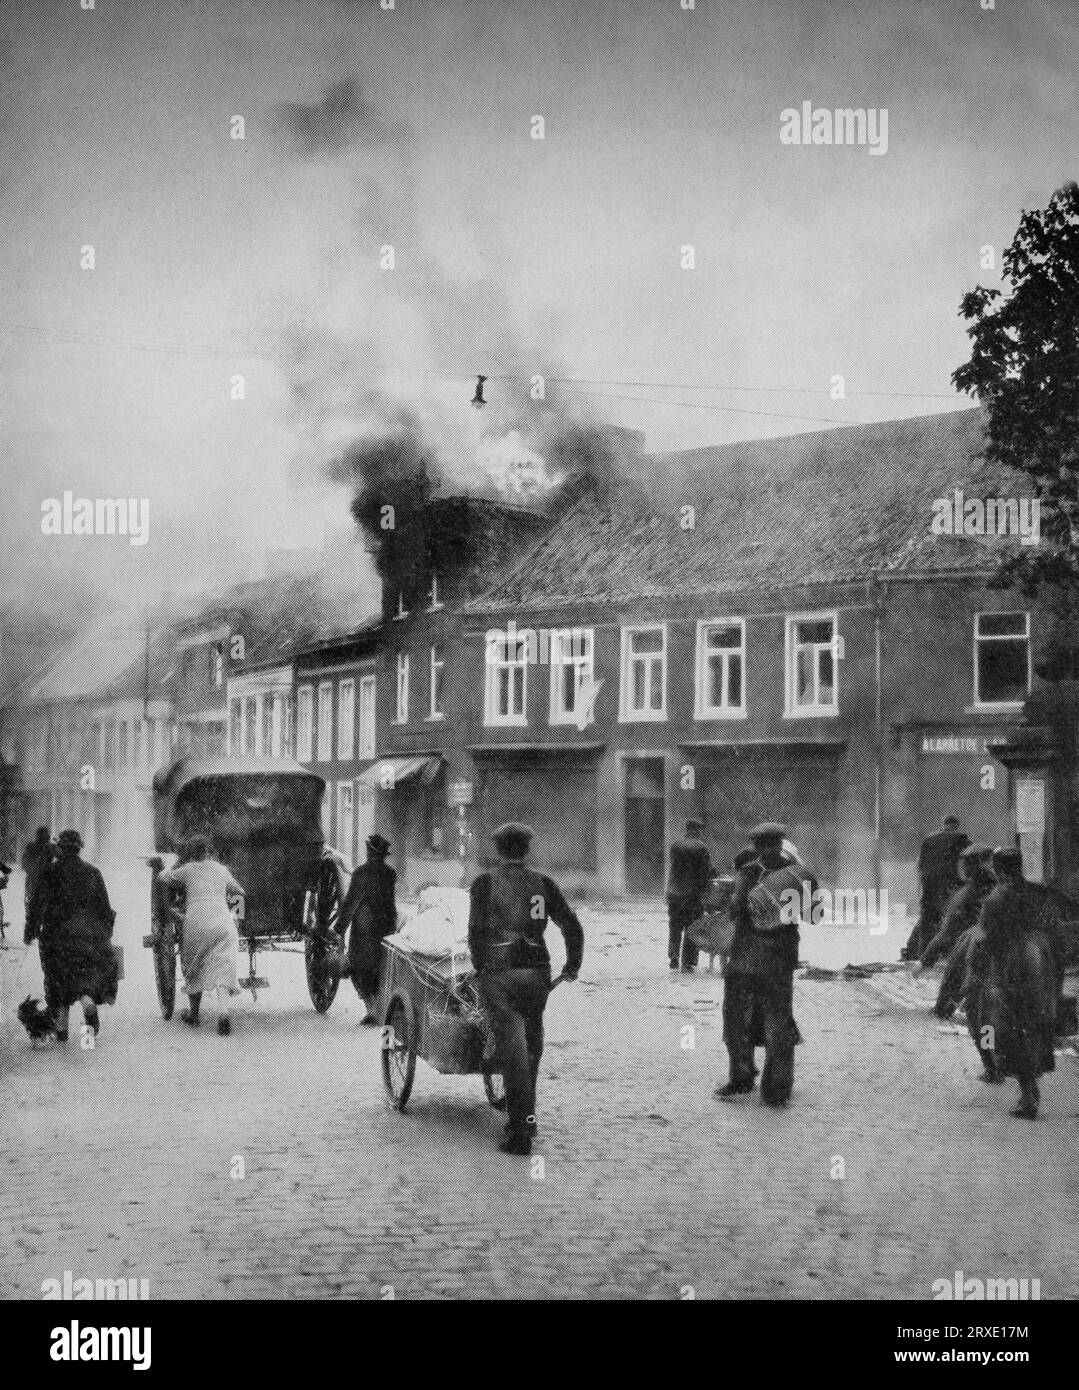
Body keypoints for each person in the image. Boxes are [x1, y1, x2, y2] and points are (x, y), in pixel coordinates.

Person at [468, 822, 585, 1155]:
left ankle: (519, 1132)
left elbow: (475, 931)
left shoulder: (485, 883)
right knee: (531, 1043)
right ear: (526, 850)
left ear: (498, 850)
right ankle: (527, 1117)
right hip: (536, 973)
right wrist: (572, 965)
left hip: (499, 973)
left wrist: (479, 968)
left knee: (513, 1048)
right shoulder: (543, 884)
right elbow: (570, 925)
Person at [716, 822, 817, 1108]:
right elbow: (813, 915)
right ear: (781, 842)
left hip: (746, 956)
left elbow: (736, 910)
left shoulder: (749, 872)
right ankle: (776, 1089)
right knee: (778, 1019)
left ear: (758, 846)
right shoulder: (798, 873)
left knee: (736, 1018)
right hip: (780, 958)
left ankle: (742, 1076)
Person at [961, 847, 1064, 1119]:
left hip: (1010, 968)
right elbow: (1057, 930)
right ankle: (1028, 1087)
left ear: (998, 868)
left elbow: (983, 940)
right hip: (1044, 967)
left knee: (1004, 1026)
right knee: (1037, 1025)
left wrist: (975, 975)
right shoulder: (1039, 893)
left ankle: (1025, 1090)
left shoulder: (996, 898)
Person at [25, 829, 118, 1041]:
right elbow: (104, 908)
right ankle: (87, 1018)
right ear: (79, 847)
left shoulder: (50, 873)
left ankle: (62, 1031)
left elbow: (36, 904)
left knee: (58, 982)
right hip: (86, 936)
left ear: (61, 848)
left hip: (56, 937)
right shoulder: (92, 872)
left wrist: (30, 930)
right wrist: (104, 934)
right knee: (84, 981)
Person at [159, 833, 244, 1035]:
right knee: (223, 965)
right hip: (223, 921)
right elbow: (240, 892)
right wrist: (236, 918)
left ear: (190, 854)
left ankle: (194, 1015)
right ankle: (223, 1011)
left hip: (196, 922)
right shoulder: (221, 869)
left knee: (193, 964)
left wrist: (169, 864)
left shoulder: (187, 870)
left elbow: (163, 878)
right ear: (208, 852)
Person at [915, 844, 996, 1020]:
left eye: (967, 864)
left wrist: (924, 961)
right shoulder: (999, 886)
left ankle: (944, 1007)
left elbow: (946, 934)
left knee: (958, 959)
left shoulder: (965, 895)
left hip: (980, 945)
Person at [339, 833, 397, 1025]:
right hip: (384, 927)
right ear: (383, 855)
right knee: (380, 968)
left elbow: (350, 903)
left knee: (358, 967)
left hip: (364, 930)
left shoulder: (361, 873)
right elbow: (390, 904)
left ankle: (371, 1009)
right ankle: (379, 1009)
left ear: (369, 852)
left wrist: (339, 928)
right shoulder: (390, 874)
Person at [901, 815, 970, 961]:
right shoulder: (960, 838)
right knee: (952, 919)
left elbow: (920, 865)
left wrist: (923, 884)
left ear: (943, 825)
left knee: (927, 919)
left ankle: (918, 952)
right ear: (956, 826)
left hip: (929, 885)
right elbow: (972, 857)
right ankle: (947, 953)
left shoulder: (929, 840)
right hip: (948, 885)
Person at [666, 819, 713, 972]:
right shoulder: (701, 848)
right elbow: (706, 872)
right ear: (695, 831)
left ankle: (674, 955)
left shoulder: (676, 845)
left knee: (675, 926)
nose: (700, 833)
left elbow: (675, 868)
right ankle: (688, 962)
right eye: (699, 830)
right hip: (691, 895)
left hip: (674, 893)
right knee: (692, 927)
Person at [21, 827, 54, 927]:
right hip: (45, 881)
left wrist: (33, 871)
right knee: (45, 904)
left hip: (34, 881)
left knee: (31, 904)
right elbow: (61, 855)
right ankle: (38, 925)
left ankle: (31, 927)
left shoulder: (31, 846)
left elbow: (25, 863)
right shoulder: (50, 847)